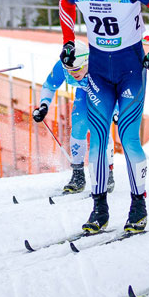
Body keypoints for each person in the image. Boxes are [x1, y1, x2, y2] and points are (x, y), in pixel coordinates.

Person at [59, 0, 149, 235]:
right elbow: (64, 7)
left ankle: (138, 205)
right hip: (97, 67)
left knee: (128, 137)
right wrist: (68, 43)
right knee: (97, 136)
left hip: (130, 66)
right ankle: (99, 207)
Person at [31, 41, 116, 194]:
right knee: (78, 126)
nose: (72, 73)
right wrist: (44, 105)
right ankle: (78, 176)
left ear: (86, 62)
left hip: (105, 93)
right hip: (84, 92)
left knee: (100, 130)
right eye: (69, 70)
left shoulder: (102, 64)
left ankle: (107, 174)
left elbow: (119, 89)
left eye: (76, 69)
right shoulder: (65, 64)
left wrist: (117, 112)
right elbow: (49, 85)